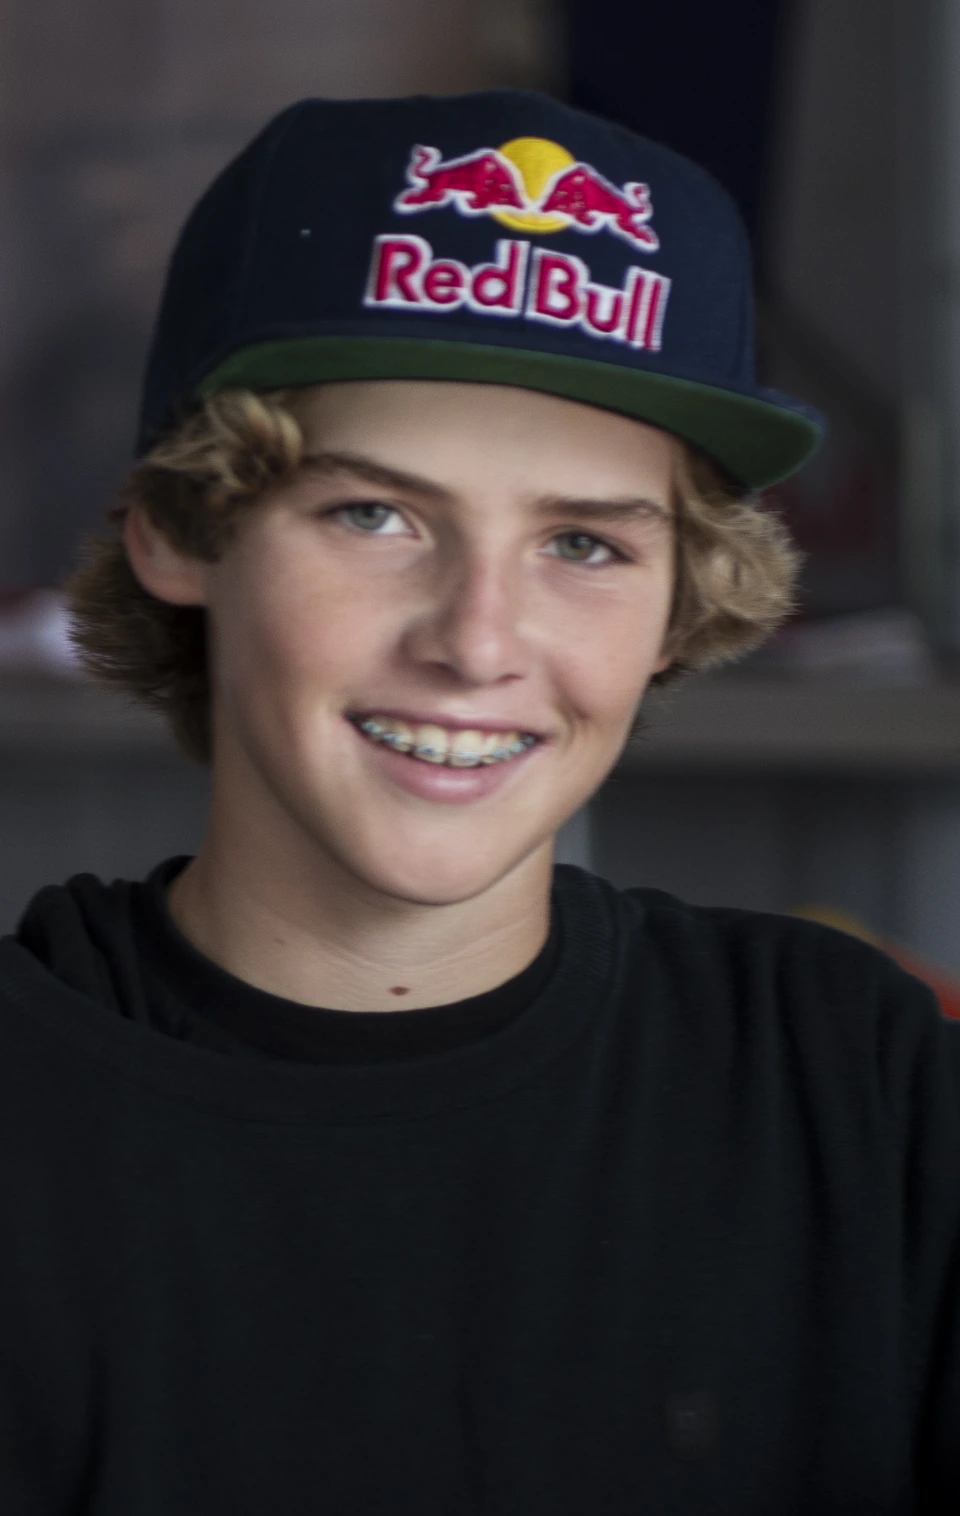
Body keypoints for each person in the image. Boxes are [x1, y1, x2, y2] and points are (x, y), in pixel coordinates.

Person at [1, 89, 957, 1514]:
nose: (480, 640)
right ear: (184, 533)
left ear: (683, 600)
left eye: (583, 541)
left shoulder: (857, 1090)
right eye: (375, 516)